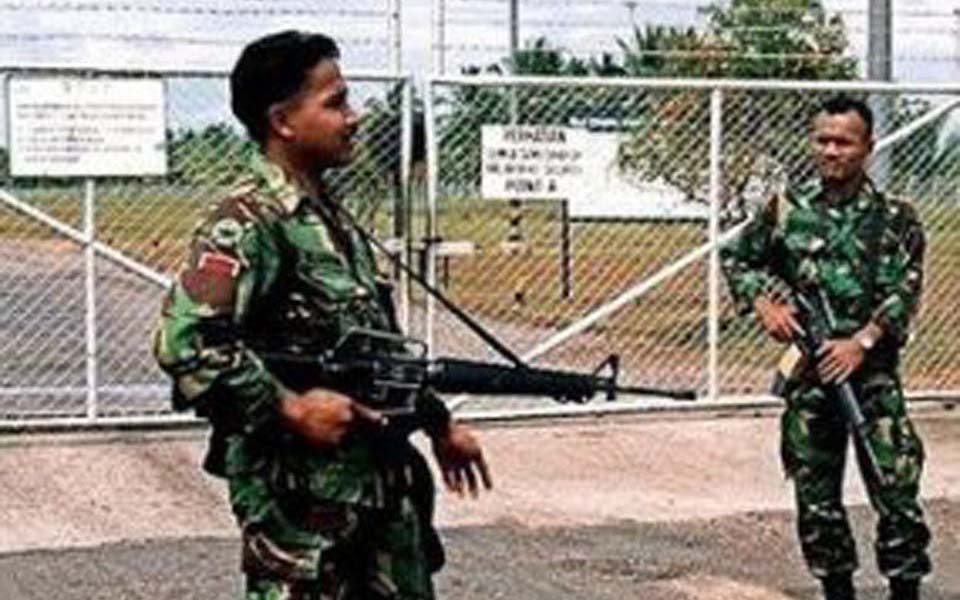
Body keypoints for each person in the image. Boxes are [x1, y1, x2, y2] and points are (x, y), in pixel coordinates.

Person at [153, 30, 492, 600]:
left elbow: (368, 355)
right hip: (302, 516)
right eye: (335, 103)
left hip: (376, 498)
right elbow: (187, 342)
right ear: (283, 120)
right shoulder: (249, 221)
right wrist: (288, 407)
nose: (353, 117)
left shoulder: (331, 220)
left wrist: (439, 423)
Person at [721, 96, 931, 600]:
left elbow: (906, 290)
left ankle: (905, 588)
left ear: (867, 147)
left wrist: (862, 342)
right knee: (816, 500)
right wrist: (764, 305)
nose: (832, 151)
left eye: (844, 142)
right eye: (823, 140)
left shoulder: (895, 217)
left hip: (872, 381)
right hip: (812, 381)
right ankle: (836, 588)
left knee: (896, 490)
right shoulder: (786, 209)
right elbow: (738, 258)